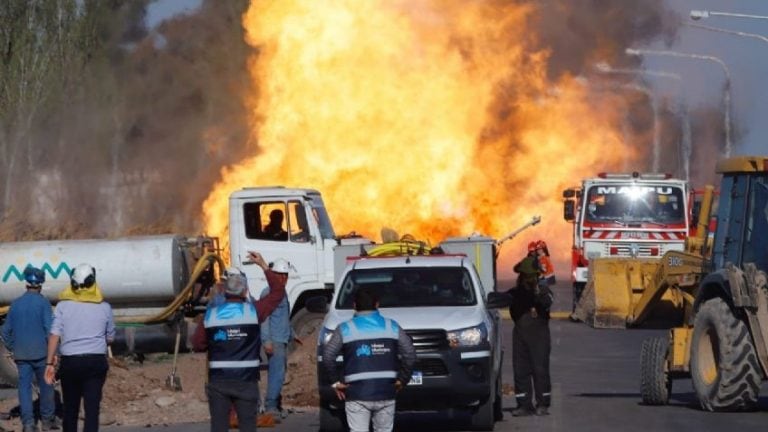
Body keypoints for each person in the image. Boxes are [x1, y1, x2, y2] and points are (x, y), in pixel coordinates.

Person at [191, 252, 288, 432]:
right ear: (244, 291)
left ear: (224, 291)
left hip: (219, 383)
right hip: (246, 382)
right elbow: (278, 292)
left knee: (219, 427)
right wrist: (264, 266)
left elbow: (197, 344)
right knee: (248, 426)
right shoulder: (253, 312)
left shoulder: (211, 315)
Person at [322, 286, 416, 432]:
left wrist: (335, 383)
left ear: (354, 306)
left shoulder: (345, 328)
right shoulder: (392, 326)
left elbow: (328, 356)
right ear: (377, 304)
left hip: (356, 394)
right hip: (386, 392)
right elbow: (410, 354)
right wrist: (402, 380)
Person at [44, 264, 115, 432]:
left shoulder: (62, 306)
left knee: (70, 409)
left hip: (70, 363)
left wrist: (49, 363)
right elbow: (110, 337)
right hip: (95, 362)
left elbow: (54, 335)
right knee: (92, 410)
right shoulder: (105, 307)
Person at [1, 266, 60, 432]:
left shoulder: (16, 304)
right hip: (42, 354)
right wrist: (54, 353)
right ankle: (47, 421)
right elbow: (51, 330)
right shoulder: (43, 303)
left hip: (21, 355)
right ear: (40, 284)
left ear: (26, 284)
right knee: (47, 385)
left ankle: (28, 424)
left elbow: (4, 331)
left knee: (24, 388)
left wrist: (13, 347)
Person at [508, 242, 554, 417]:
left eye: (528, 276)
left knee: (540, 368)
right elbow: (503, 300)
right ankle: (524, 404)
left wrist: (536, 291)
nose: (525, 279)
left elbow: (548, 302)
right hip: (520, 334)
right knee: (520, 370)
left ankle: (543, 404)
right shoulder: (515, 292)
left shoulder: (542, 290)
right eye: (523, 276)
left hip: (539, 335)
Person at [258, 261, 293, 423]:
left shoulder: (282, 293)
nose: (284, 278)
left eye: (286, 275)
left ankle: (276, 405)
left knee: (280, 374)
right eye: (280, 275)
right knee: (276, 375)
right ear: (274, 275)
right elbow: (264, 318)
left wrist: (294, 333)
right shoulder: (269, 293)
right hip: (275, 340)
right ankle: (271, 407)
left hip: (282, 338)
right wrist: (267, 341)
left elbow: (284, 317)